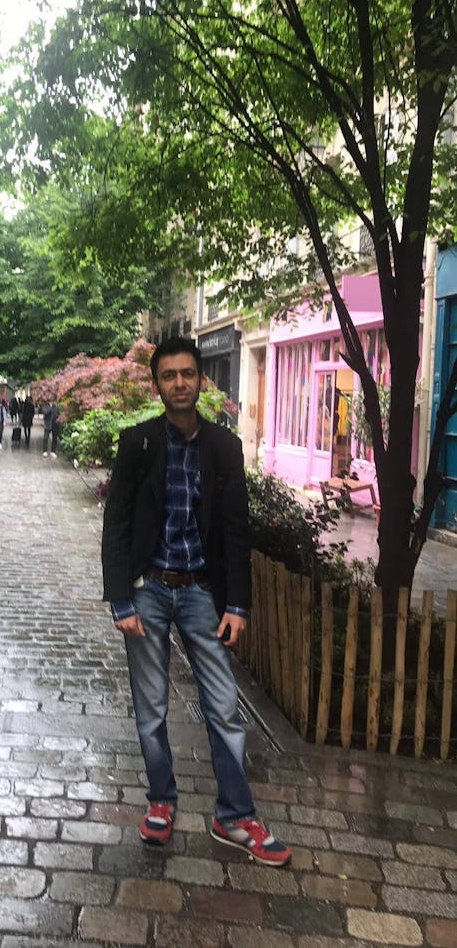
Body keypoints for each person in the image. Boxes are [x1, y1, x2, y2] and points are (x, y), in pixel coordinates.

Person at [101, 336, 291, 867]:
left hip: (202, 593)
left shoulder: (224, 448)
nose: (180, 383)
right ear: (156, 383)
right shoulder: (138, 443)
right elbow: (115, 525)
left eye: (188, 374)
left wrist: (238, 604)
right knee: (151, 709)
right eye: (169, 375)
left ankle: (234, 815)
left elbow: (235, 531)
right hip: (149, 591)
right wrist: (120, 599)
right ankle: (161, 801)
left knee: (225, 707)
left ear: (201, 380)